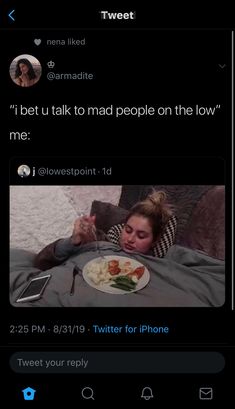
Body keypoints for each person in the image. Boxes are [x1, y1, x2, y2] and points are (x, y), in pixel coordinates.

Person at [34, 191, 175, 270]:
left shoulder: (157, 265)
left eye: (141, 235)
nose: (130, 239)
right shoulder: (99, 240)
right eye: (128, 230)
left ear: (154, 242)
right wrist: (74, 241)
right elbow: (41, 262)